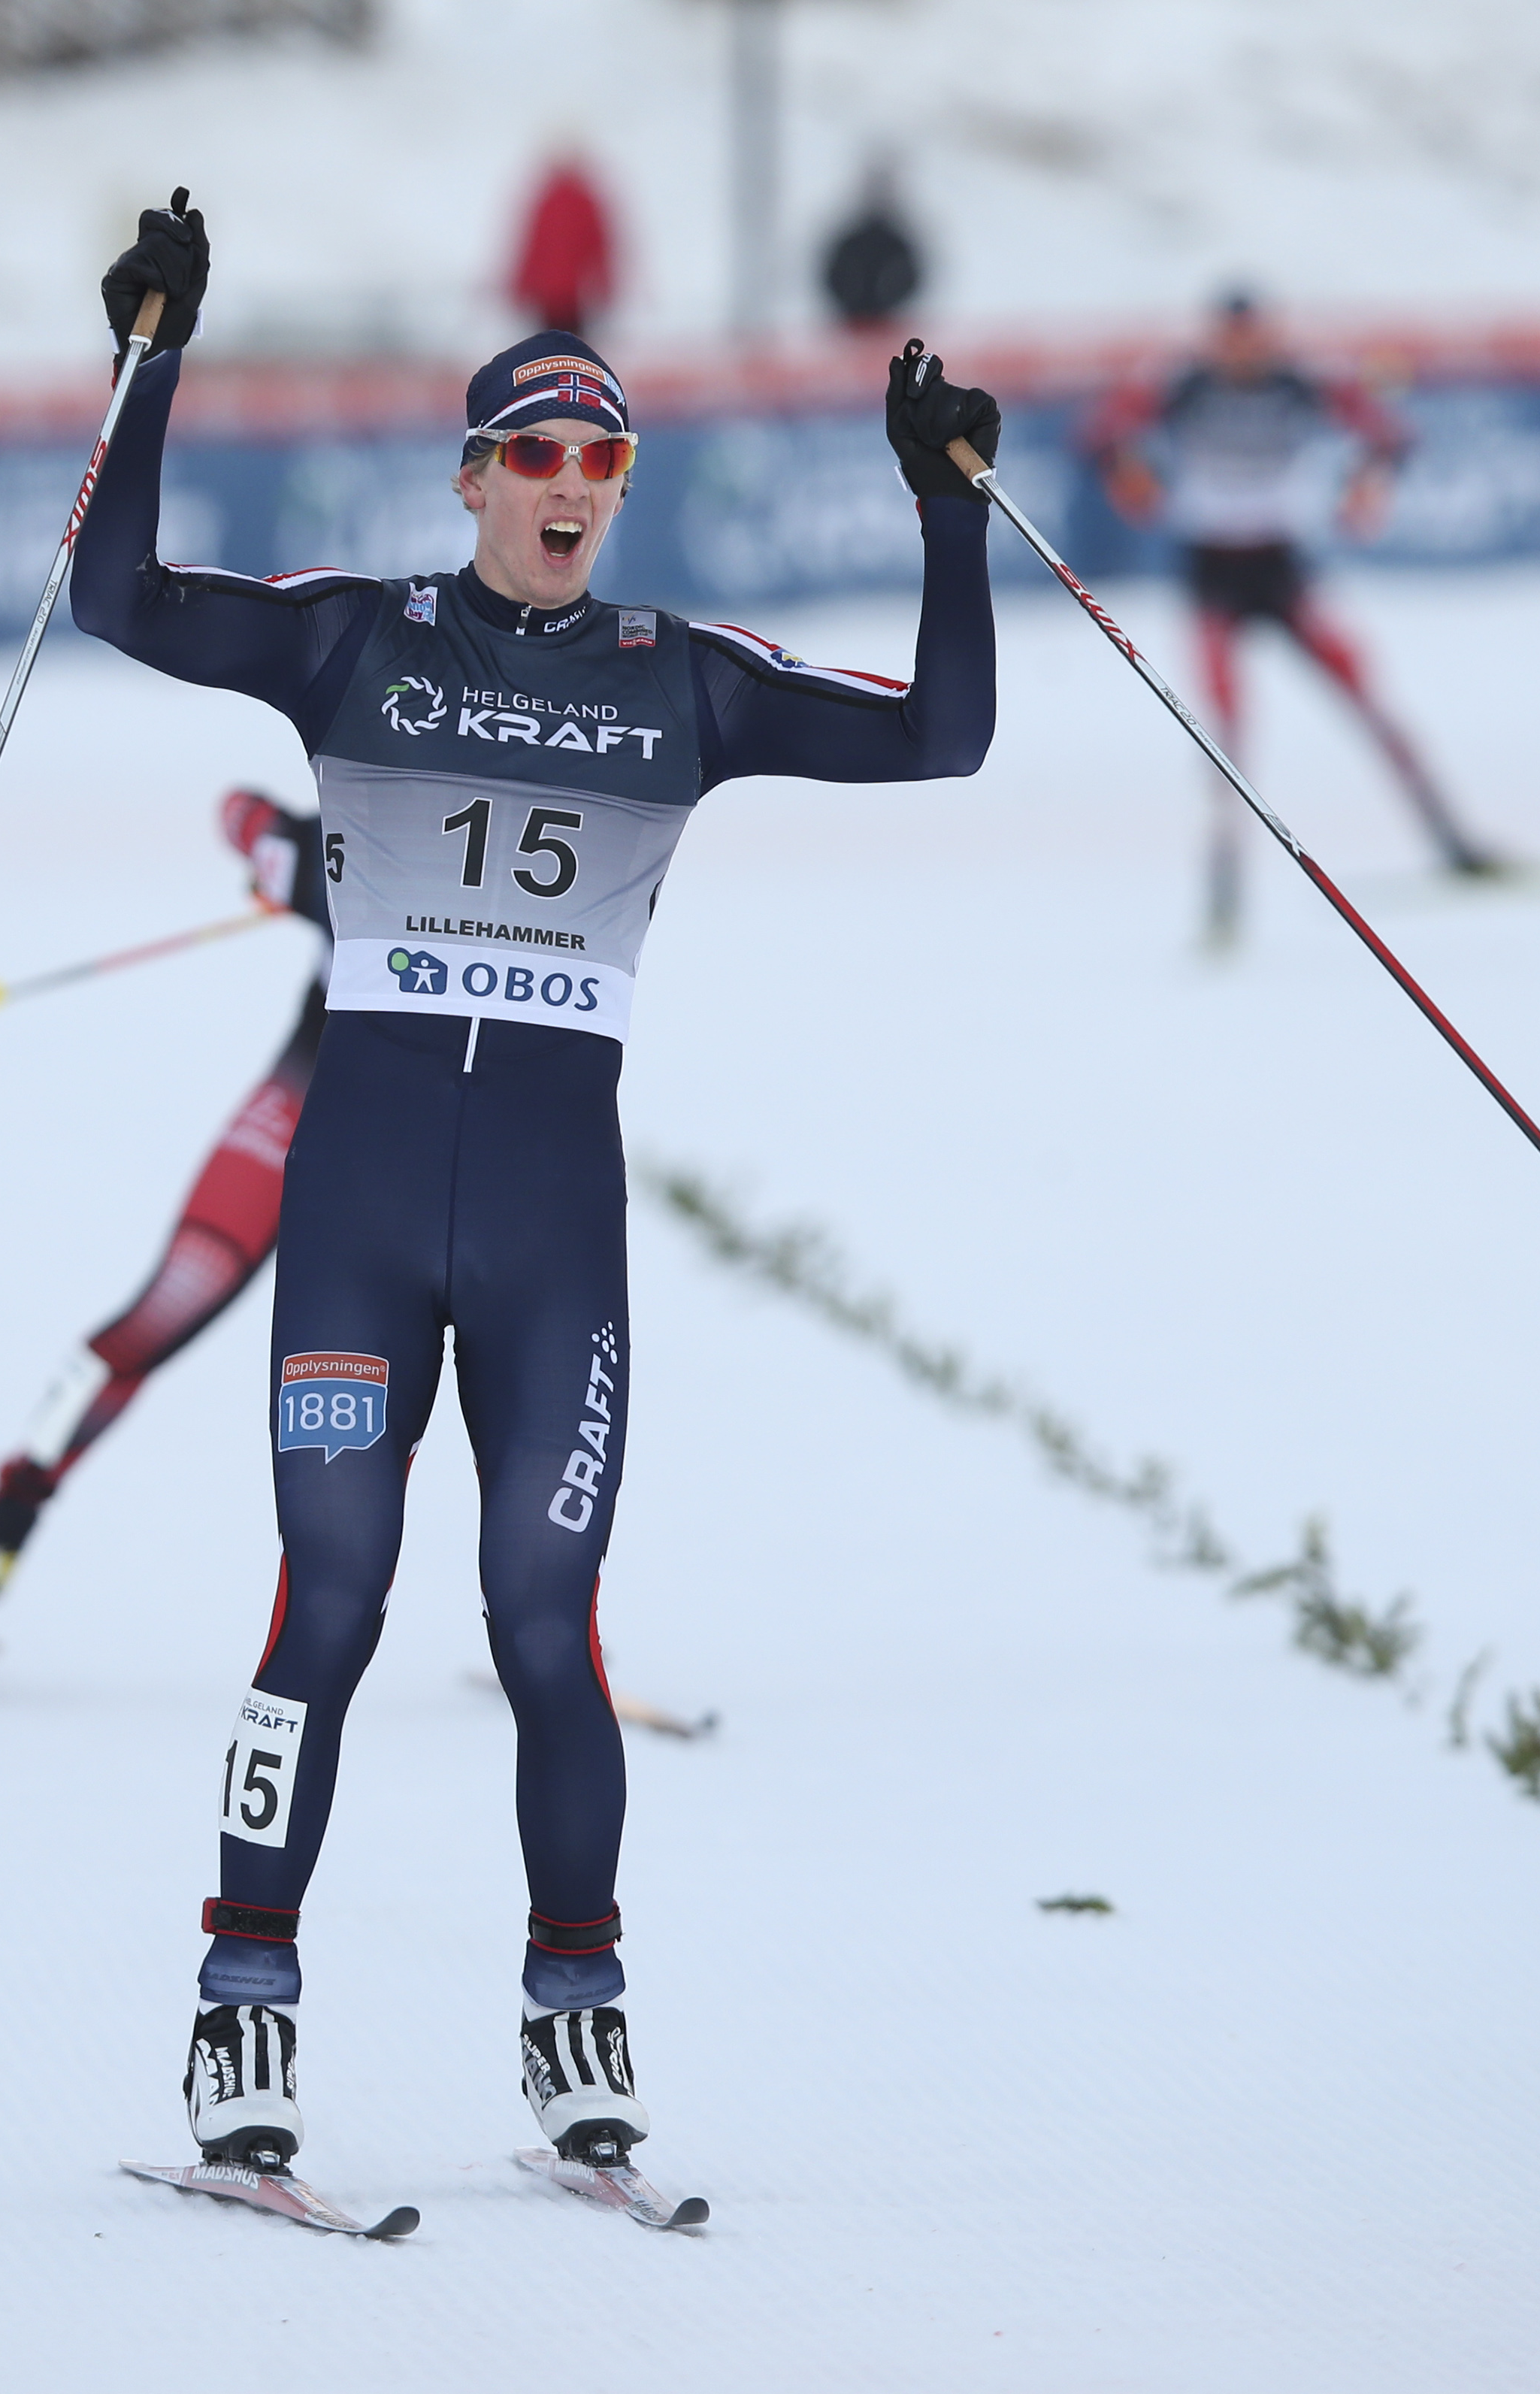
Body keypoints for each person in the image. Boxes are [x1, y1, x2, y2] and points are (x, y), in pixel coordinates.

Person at [74, 192, 999, 2177]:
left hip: (552, 1243)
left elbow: (944, 739)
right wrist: (153, 363)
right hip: (361, 1216)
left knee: (540, 1614)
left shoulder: (691, 677)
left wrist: (948, 511)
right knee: (325, 1606)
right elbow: (117, 600)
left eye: (607, 460)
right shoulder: (355, 639)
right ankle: (244, 2003)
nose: (575, 489)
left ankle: (575, 2009)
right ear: (476, 477)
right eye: (539, 457)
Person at [0, 788, 331, 1648]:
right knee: (152, 1316)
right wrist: (280, 849)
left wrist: (286, 858)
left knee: (491, 1356)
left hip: (452, 1133)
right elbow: (237, 808)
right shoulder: (374, 802)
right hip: (309, 1097)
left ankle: (547, 1612)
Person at [1082, 286, 1500, 943]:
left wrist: (1367, 482)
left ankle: (1451, 838)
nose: (1243, 350)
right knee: (1221, 730)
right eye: (1231, 336)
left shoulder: (1299, 384)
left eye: (1253, 336)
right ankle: (1223, 893)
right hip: (1211, 571)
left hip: (1280, 568)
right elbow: (1102, 433)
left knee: (1364, 696)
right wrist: (1128, 473)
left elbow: (1387, 433)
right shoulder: (1182, 386)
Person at [507, 152, 616, 336]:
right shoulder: (586, 202)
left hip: (547, 296)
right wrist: (604, 285)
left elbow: (532, 250)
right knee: (575, 351)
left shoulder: (545, 202)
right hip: (576, 296)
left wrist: (521, 287)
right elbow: (599, 249)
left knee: (547, 349)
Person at [820, 159, 923, 332]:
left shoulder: (896, 241)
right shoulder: (853, 240)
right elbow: (832, 275)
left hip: (889, 325)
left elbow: (912, 276)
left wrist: (893, 303)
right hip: (853, 324)